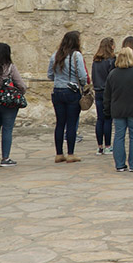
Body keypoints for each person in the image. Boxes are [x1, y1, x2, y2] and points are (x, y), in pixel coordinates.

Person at [47, 30, 89, 163]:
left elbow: (50, 75)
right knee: (71, 123)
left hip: (57, 91)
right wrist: (82, 84)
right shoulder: (76, 55)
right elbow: (82, 76)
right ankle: (70, 153)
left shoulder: (55, 55)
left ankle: (59, 153)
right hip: (72, 91)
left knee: (60, 123)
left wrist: (59, 78)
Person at [0, 42, 26, 166]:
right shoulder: (9, 67)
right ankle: (5, 158)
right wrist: (21, 92)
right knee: (7, 129)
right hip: (8, 102)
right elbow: (21, 84)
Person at [91, 38, 116, 155]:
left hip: (98, 91)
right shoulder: (111, 60)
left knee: (100, 119)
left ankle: (99, 146)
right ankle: (108, 145)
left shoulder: (96, 60)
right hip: (108, 91)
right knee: (108, 119)